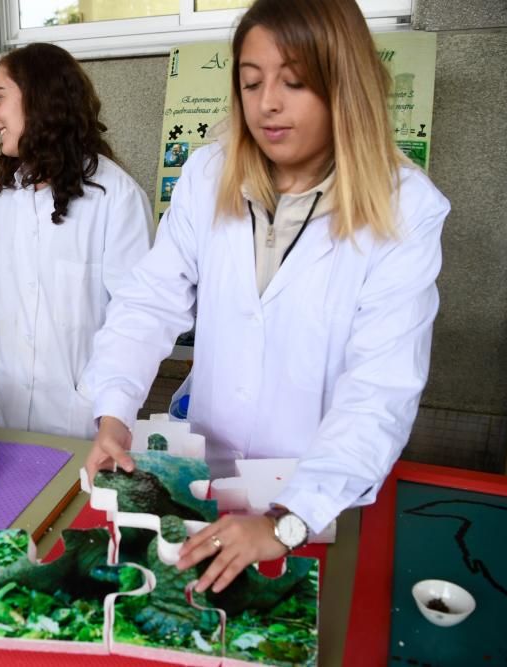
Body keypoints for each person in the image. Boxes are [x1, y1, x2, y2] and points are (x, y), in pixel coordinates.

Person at [83, 0, 450, 593]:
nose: (267, 104)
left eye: (295, 82)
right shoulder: (210, 177)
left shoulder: (404, 209)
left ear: (345, 87)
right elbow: (148, 302)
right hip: (206, 479)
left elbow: (380, 390)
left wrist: (287, 521)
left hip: (316, 493)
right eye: (251, 82)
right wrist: (113, 413)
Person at [0, 43, 153, 440]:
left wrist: (106, 399)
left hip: (80, 410)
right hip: (5, 402)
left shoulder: (115, 196)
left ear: (40, 100)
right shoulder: (1, 193)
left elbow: (133, 317)